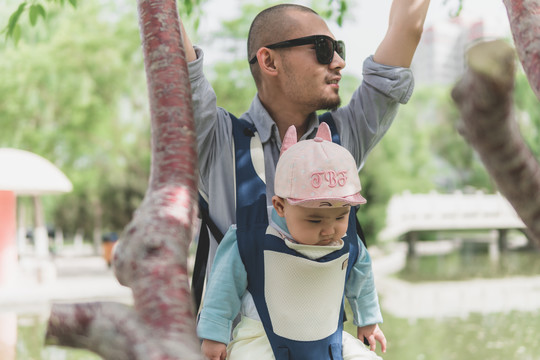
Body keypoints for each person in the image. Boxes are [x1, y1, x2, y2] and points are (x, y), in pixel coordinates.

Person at [182, 1, 431, 292]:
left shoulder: (342, 140)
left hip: (322, 338)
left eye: (340, 49)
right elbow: (174, 56)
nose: (339, 62)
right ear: (269, 61)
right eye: (323, 49)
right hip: (230, 338)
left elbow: (408, 27)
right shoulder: (216, 142)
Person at [197, 123, 385, 360]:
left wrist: (368, 320)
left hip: (329, 339)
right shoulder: (250, 238)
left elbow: (362, 277)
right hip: (262, 338)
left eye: (341, 216)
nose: (329, 230)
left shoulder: (348, 242)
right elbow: (223, 288)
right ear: (280, 206)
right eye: (315, 220)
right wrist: (214, 336)